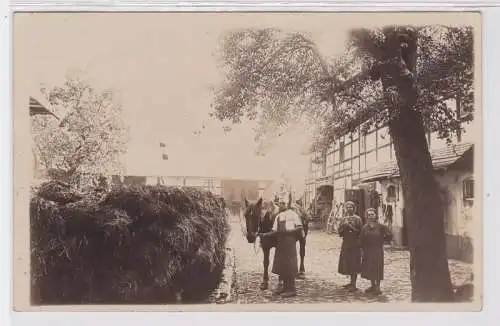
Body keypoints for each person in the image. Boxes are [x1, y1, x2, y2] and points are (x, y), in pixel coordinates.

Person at [260, 199, 303, 298]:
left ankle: (292, 289)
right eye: (280, 203)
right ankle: (284, 287)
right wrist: (264, 235)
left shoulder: (293, 214)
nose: (282, 205)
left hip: (289, 242)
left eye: (284, 203)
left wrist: (290, 231)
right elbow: (274, 231)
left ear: (287, 204)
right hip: (280, 243)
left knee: (290, 264)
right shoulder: (278, 217)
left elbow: (300, 227)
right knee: (281, 264)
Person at [360, 208, 392, 295]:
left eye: (372, 214)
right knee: (369, 268)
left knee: (377, 267)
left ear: (375, 215)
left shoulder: (381, 226)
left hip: (377, 250)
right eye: (369, 215)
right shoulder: (364, 227)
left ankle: (378, 287)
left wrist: (382, 241)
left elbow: (389, 235)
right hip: (367, 250)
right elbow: (361, 239)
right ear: (366, 216)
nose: (371, 216)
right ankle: (373, 285)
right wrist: (362, 250)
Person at [337, 201, 363, 291]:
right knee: (347, 261)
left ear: (354, 208)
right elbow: (340, 233)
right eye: (347, 207)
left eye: (351, 207)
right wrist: (342, 228)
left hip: (355, 243)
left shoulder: (358, 219)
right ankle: (350, 282)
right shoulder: (343, 218)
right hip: (346, 242)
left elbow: (360, 232)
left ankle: (354, 283)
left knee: (354, 262)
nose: (349, 209)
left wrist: (350, 227)